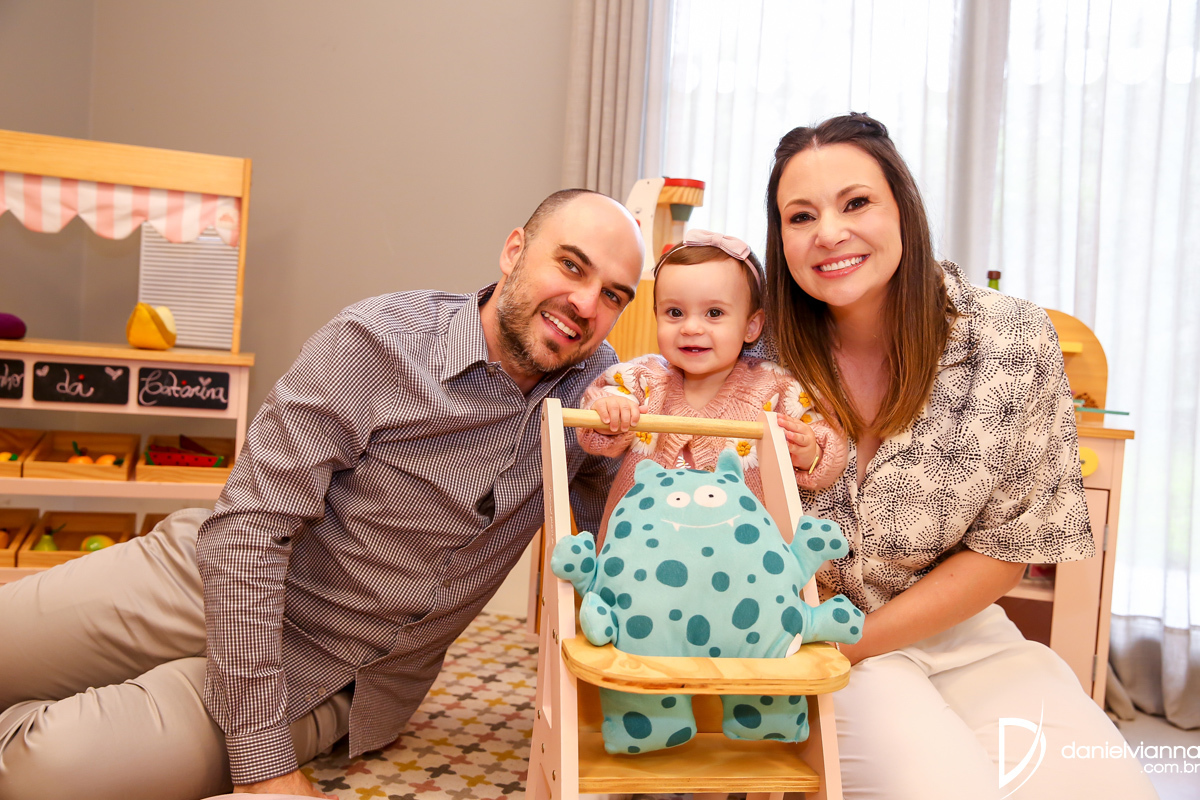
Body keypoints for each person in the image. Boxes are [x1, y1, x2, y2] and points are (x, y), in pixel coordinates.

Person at [0, 189, 645, 800]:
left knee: (47, 769)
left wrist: (609, 464)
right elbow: (248, 529)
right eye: (571, 265)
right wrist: (266, 772)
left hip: (328, 668)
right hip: (200, 580)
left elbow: (598, 558)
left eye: (613, 294)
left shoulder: (598, 399)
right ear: (514, 251)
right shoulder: (382, 339)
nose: (585, 304)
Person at [762, 113, 1157, 798]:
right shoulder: (756, 356)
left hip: (962, 636)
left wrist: (863, 638)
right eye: (801, 216)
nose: (828, 232)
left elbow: (1008, 547)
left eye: (856, 202)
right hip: (817, 644)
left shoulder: (1011, 340)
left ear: (904, 208)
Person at [577, 229, 847, 546]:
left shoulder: (775, 387)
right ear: (656, 316)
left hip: (740, 554)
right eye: (674, 313)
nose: (691, 327)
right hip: (640, 550)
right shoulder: (643, 378)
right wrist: (609, 413)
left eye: (714, 313)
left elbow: (828, 443)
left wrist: (809, 452)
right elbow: (596, 421)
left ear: (751, 326)